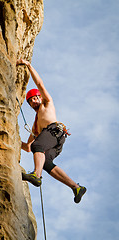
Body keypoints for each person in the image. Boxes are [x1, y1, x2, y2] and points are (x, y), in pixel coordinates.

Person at [16, 59, 86, 203]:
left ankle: (36, 175)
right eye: (31, 100)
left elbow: (40, 84)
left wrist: (29, 66)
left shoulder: (47, 104)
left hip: (55, 131)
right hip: (55, 140)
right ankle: (76, 187)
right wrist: (15, 141)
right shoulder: (35, 126)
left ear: (40, 98)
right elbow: (29, 148)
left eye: (36, 98)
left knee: (38, 146)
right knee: (46, 163)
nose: (35, 101)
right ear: (29, 104)